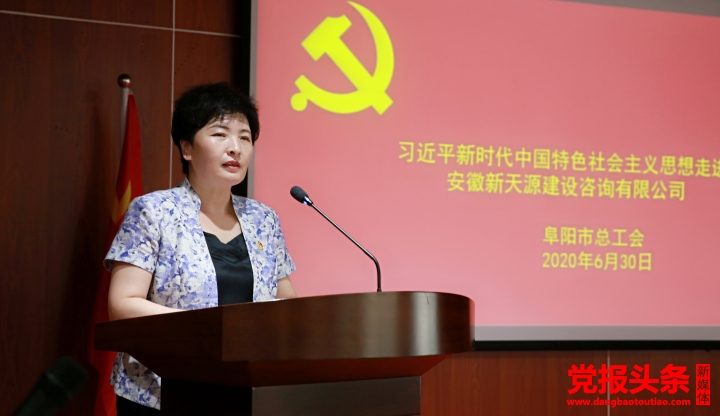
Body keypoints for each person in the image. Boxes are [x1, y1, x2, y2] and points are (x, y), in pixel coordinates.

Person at [104, 83, 297, 414]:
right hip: (161, 392)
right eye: (220, 134)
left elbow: (286, 302)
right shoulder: (154, 211)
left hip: (244, 390)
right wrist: (210, 328)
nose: (235, 148)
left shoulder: (263, 219)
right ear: (187, 148)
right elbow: (122, 305)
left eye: (245, 137)